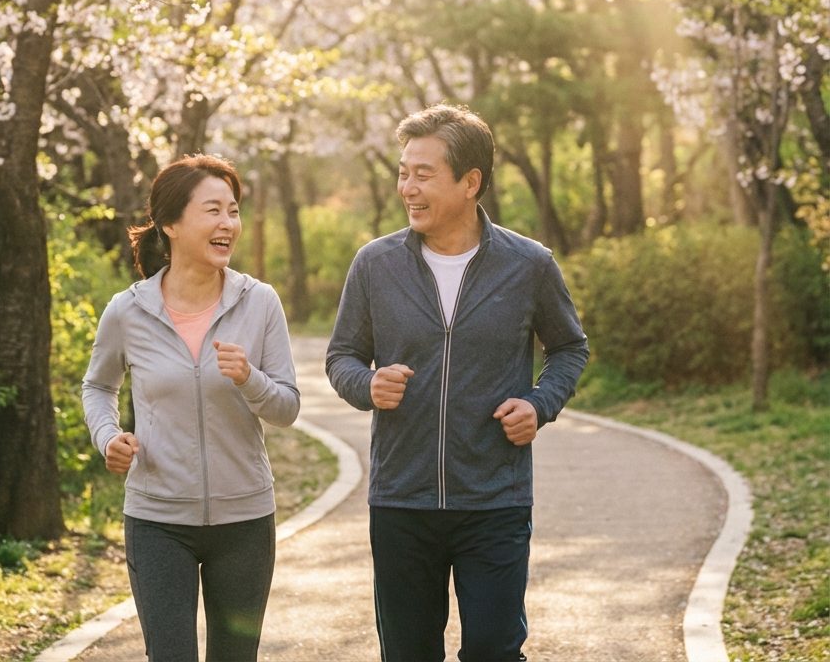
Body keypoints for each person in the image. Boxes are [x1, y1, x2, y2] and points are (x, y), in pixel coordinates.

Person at [326, 104, 589, 662]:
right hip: (401, 500)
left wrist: (540, 404)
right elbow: (342, 356)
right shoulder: (375, 264)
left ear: (470, 182)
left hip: (494, 499)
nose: (408, 188)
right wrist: (366, 385)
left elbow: (569, 347)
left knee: (495, 651)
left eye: (424, 174)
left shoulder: (528, 264)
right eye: (404, 173)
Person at [82, 154, 299, 662]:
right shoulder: (128, 310)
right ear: (171, 224)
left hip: (244, 520)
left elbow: (287, 407)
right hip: (157, 520)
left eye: (234, 211)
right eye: (213, 210)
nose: (228, 224)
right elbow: (98, 387)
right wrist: (108, 437)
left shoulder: (260, 302)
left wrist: (249, 378)